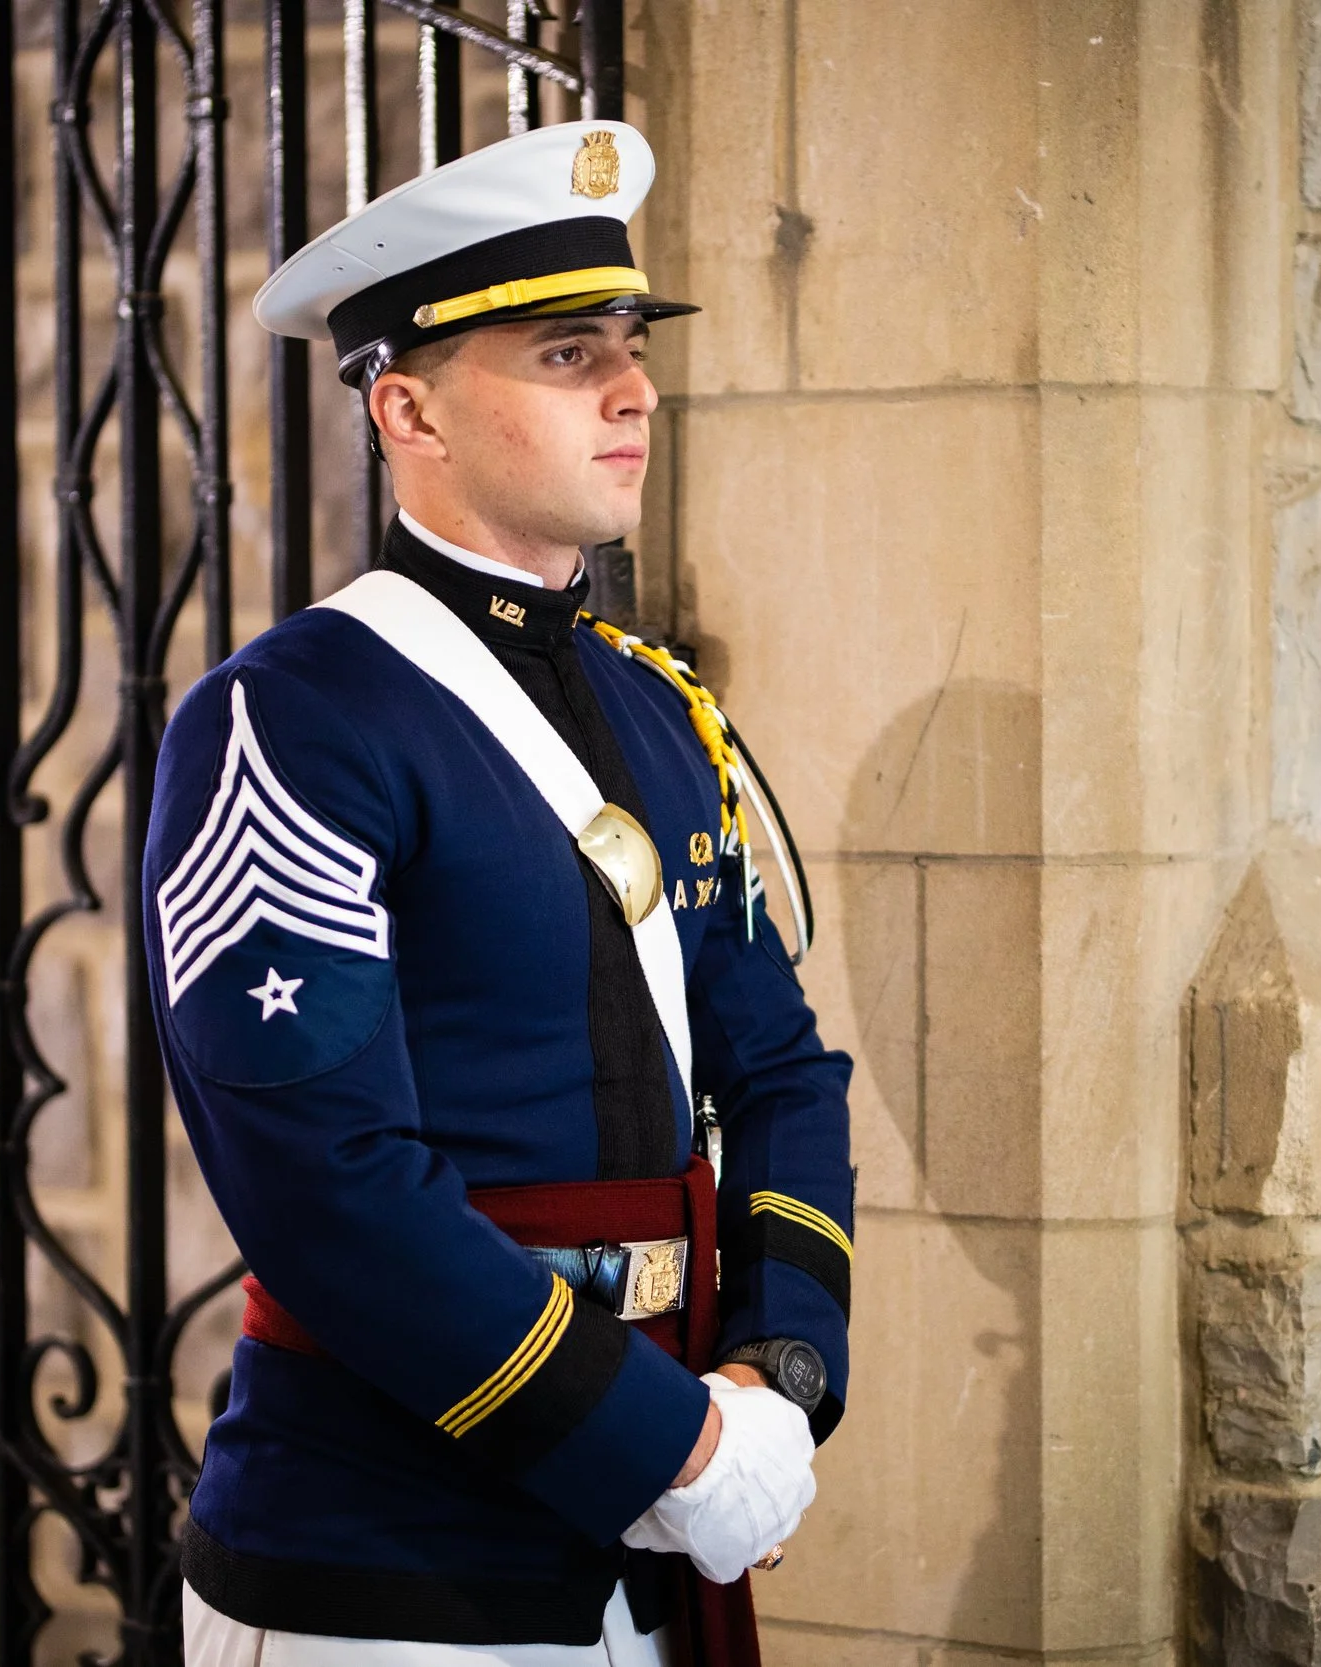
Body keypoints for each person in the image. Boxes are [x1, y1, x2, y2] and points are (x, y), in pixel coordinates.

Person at [146, 121, 855, 1667]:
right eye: (562, 351)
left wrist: (779, 1377)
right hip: (388, 1565)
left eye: (629, 346)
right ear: (408, 407)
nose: (633, 389)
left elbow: (783, 1067)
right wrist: (670, 1445)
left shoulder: (660, 709)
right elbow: (328, 1186)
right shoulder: (291, 718)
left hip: (652, 1536)